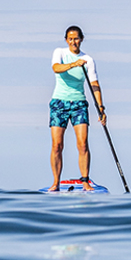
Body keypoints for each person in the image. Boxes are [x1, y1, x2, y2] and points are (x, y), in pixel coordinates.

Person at [49, 25, 105, 191]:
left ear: (81, 39)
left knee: (82, 144)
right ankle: (55, 183)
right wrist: (74, 64)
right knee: (57, 145)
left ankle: (85, 181)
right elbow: (56, 68)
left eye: (76, 38)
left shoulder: (88, 60)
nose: (73, 41)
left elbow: (94, 84)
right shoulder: (59, 52)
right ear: (67, 40)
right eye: (70, 38)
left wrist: (101, 108)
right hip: (59, 103)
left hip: (79, 104)